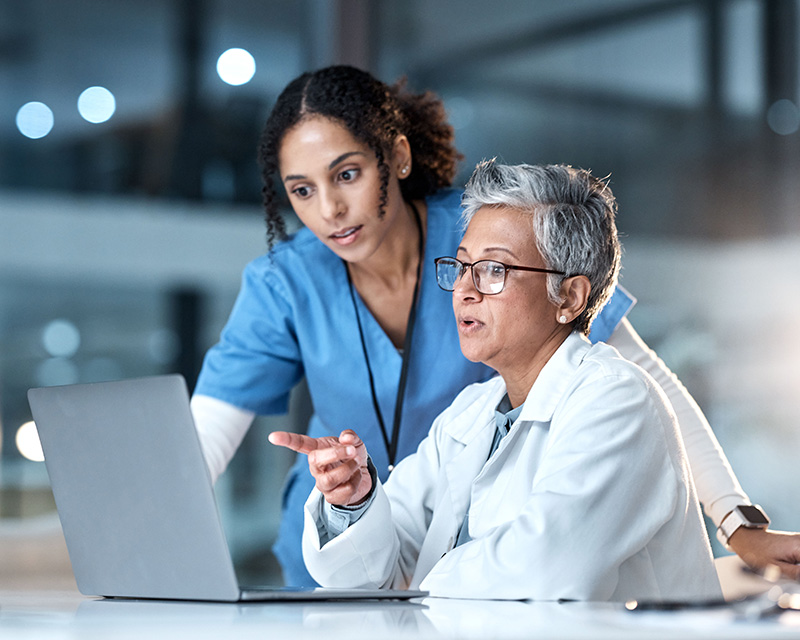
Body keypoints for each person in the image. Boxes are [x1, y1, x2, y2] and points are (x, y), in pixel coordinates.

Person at [191, 65, 800, 586]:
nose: (328, 209)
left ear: (397, 157)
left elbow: (647, 384)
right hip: (376, 537)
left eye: (347, 174)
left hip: (474, 565)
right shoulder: (290, 283)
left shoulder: (489, 231)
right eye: (301, 190)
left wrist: (737, 521)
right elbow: (200, 445)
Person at [269, 161, 722, 601]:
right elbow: (375, 568)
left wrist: (418, 584)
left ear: (569, 296)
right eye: (462, 266)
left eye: (494, 270)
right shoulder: (473, 411)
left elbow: (546, 568)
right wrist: (355, 502)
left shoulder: (617, 400)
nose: (465, 289)